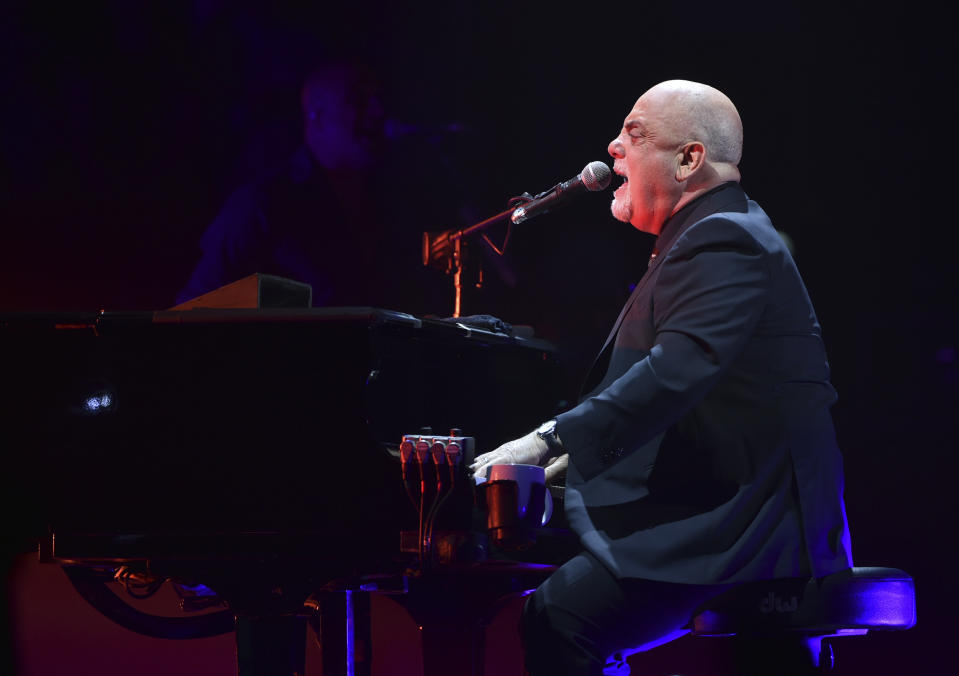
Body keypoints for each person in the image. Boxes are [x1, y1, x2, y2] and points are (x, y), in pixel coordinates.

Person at [470, 80, 853, 674]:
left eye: (635, 133)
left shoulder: (728, 239)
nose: (613, 147)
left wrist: (549, 441)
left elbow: (674, 374)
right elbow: (678, 399)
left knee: (561, 616)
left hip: (758, 528)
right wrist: (563, 473)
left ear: (689, 159)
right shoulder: (705, 237)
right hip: (724, 507)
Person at [175, 61, 446, 314]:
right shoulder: (263, 203)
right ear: (316, 114)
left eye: (377, 100)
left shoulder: (392, 203)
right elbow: (195, 308)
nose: (377, 112)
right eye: (358, 101)